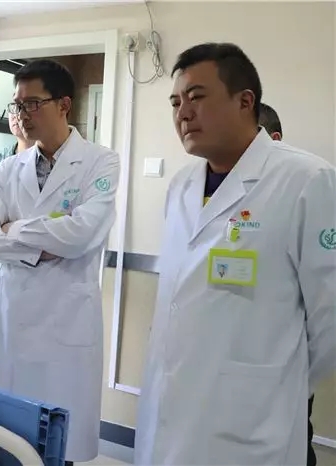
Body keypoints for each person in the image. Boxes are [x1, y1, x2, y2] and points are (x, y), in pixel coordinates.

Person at [135, 42, 336, 465]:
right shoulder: (181, 187)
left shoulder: (306, 179)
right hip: (172, 405)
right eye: (175, 102)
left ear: (245, 101)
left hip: (252, 422)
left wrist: (275, 383)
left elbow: (330, 319)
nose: (183, 113)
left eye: (196, 97)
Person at [0, 59, 120, 464]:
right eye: (18, 105)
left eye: (33, 103)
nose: (22, 114)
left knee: (58, 444)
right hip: (12, 318)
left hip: (64, 321)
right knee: (7, 441)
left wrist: (13, 231)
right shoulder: (8, 168)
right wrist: (45, 241)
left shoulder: (101, 162)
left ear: (64, 105)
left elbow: (80, 235)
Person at [259, 101, 318, 466]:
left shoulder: (309, 187)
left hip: (289, 359)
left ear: (274, 138)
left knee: (293, 439)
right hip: (240, 362)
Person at [0, 113, 34, 312]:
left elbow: (49, 229)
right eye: (14, 107)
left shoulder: (51, 164)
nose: (16, 115)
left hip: (39, 282)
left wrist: (11, 227)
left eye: (25, 107)